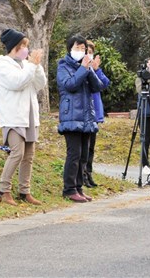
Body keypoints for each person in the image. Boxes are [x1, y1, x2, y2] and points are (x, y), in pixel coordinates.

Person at [0, 29, 47, 206]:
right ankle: (4, 190)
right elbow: (17, 83)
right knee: (17, 153)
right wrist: (32, 66)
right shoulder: (5, 65)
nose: (25, 48)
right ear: (13, 47)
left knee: (29, 155)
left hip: (30, 116)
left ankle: (25, 191)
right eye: (22, 45)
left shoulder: (26, 64)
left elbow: (40, 84)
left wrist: (37, 66)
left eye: (26, 45)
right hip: (13, 117)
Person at [57, 34, 104, 203]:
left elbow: (98, 86)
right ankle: (68, 189)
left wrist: (91, 69)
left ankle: (78, 187)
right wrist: (83, 69)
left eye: (83, 48)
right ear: (70, 49)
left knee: (84, 155)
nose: (82, 51)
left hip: (86, 117)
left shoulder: (85, 66)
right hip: (71, 116)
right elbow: (69, 85)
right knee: (74, 154)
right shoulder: (63, 66)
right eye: (77, 48)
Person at [83, 41, 110, 188]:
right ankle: (82, 175)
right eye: (86, 50)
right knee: (84, 147)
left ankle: (89, 173)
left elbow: (105, 83)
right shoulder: (80, 67)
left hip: (95, 112)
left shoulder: (95, 69)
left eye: (91, 51)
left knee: (91, 147)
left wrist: (97, 69)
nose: (89, 53)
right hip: (84, 112)